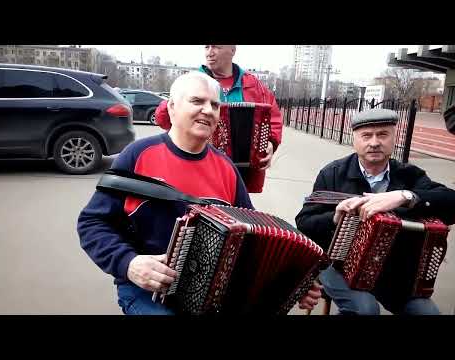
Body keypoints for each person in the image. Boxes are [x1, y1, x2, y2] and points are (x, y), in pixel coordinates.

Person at [78, 72, 320, 315]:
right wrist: (128, 263)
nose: (208, 110)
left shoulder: (227, 168)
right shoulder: (137, 155)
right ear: (172, 108)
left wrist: (295, 282)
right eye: (197, 101)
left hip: (211, 295)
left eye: (214, 105)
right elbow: (92, 223)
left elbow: (254, 243)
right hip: (149, 292)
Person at [295, 108, 455, 315]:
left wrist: (405, 196)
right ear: (355, 140)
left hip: (393, 272)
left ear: (393, 138)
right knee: (365, 309)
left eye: (382, 134)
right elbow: (304, 223)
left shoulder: (409, 175)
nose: (374, 142)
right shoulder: (333, 174)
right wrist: (334, 219)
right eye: (366, 135)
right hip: (338, 266)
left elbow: (451, 203)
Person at [154, 45, 283, 193]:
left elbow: (273, 116)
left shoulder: (253, 84)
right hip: (197, 165)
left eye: (216, 47)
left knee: (235, 210)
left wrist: (270, 142)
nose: (209, 52)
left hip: (241, 172)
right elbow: (162, 119)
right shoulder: (192, 81)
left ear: (232, 51)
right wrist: (175, 102)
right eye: (207, 47)